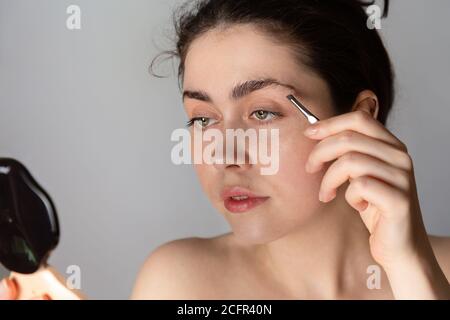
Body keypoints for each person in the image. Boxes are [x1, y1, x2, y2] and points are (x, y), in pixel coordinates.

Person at [2, 0, 449, 300]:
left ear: (361, 118)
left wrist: (412, 271)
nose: (223, 154)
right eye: (203, 119)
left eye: (262, 113)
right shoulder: (182, 284)